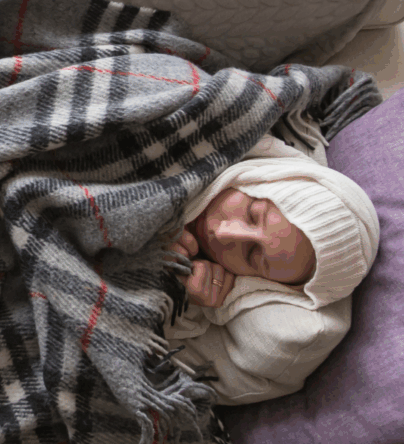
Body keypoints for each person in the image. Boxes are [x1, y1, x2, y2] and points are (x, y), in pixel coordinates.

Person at [160, 117, 380, 405]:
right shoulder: (223, 127)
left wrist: (169, 290)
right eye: (253, 212)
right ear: (263, 179)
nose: (224, 233)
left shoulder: (197, 294)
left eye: (253, 255)